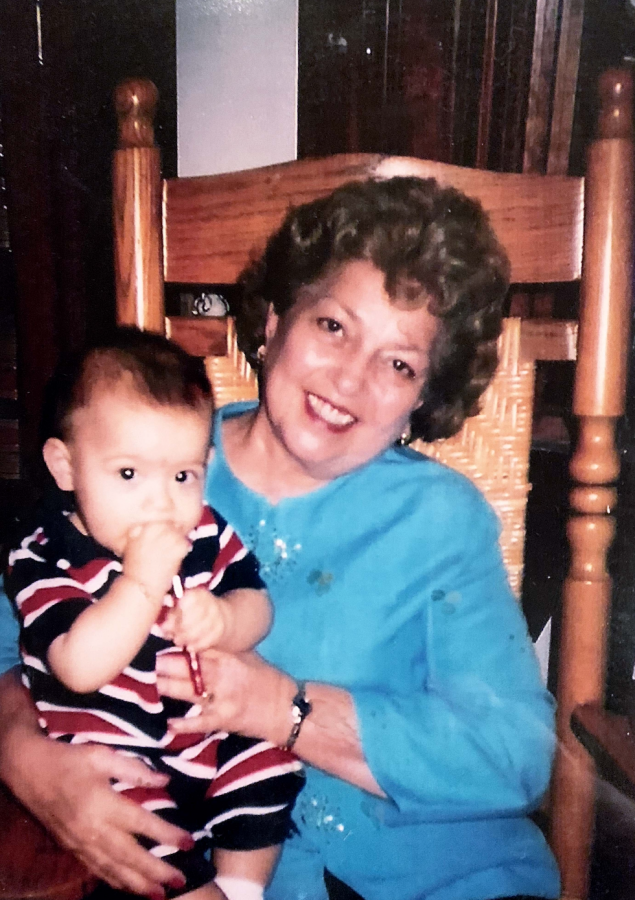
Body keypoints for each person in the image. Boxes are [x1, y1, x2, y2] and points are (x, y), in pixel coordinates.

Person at [0, 176, 560, 900]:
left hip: (438, 876)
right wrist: (21, 754)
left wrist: (285, 711)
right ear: (272, 322)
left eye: (398, 364)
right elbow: (13, 635)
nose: (350, 380)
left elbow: (514, 756)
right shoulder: (143, 465)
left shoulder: (441, 519)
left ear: (423, 396)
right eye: (332, 326)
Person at [4, 329, 305, 900]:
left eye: (182, 476)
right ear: (66, 468)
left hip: (202, 740)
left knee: (267, 761)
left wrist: (225, 619)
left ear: (204, 466)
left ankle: (243, 888)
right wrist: (141, 581)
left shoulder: (204, 529)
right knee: (147, 836)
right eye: (127, 475)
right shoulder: (46, 554)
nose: (160, 501)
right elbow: (78, 666)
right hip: (114, 763)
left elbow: (257, 600)